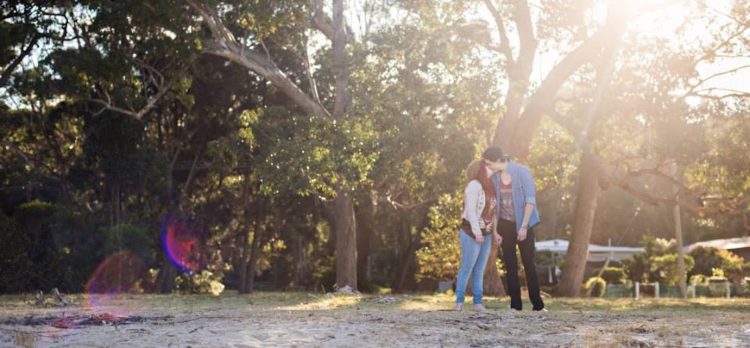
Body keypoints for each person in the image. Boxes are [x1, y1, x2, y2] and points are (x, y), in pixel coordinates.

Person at [491, 147, 545, 311]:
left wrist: (523, 227)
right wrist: (495, 231)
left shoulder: (522, 172)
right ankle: (515, 304)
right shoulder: (494, 178)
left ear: (500, 160)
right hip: (504, 224)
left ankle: (538, 304)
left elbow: (530, 200)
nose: (490, 166)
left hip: (524, 223)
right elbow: (494, 207)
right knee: (510, 265)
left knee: (529, 263)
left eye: (491, 163)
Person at [455, 147, 505, 312]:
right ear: (480, 169)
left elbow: (493, 212)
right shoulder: (474, 186)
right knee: (467, 267)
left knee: (480, 269)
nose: (491, 169)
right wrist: (476, 233)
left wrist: (494, 232)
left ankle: (477, 303)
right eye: (487, 167)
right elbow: (470, 211)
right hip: (471, 232)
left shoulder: (491, 188)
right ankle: (459, 302)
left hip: (486, 234)